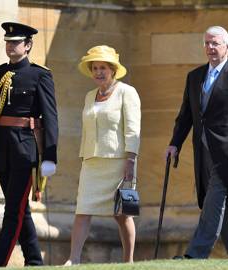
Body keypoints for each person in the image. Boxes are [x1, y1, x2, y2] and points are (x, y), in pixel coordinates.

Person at [0, 22, 58, 267]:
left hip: (26, 149)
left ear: (28, 45)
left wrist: (50, 155)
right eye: (8, 42)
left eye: (16, 42)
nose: (10, 46)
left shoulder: (40, 75)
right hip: (2, 149)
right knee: (19, 208)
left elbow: (50, 117)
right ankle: (34, 260)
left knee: (13, 212)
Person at [165, 26, 228, 259]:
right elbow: (186, 115)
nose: (210, 48)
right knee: (223, 205)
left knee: (214, 199)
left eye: (215, 43)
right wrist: (175, 143)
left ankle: (195, 255)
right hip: (202, 152)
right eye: (207, 43)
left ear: (227, 46)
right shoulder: (194, 76)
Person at [64, 45, 141, 265]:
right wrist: (84, 156)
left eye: (103, 68)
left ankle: (129, 261)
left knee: (122, 213)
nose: (98, 72)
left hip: (119, 161)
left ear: (113, 70)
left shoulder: (127, 92)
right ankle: (74, 259)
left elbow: (133, 129)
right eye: (95, 68)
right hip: (91, 161)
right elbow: (87, 129)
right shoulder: (90, 96)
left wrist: (131, 159)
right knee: (83, 208)